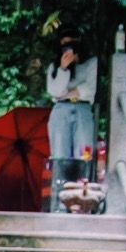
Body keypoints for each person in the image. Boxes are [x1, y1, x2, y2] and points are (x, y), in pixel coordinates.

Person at [45, 43, 98, 191]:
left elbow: (90, 89)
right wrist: (63, 68)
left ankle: (83, 196)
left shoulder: (91, 63)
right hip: (61, 110)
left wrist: (64, 94)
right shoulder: (54, 67)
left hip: (83, 108)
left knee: (84, 154)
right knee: (59, 155)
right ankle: (60, 197)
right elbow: (54, 91)